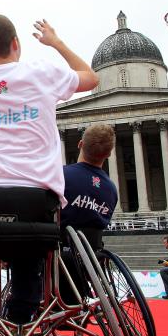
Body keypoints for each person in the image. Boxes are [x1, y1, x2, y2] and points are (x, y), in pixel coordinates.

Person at [0, 15, 99, 325]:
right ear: (16, 43)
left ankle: (13, 309)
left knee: (14, 246)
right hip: (40, 199)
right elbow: (91, 78)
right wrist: (55, 42)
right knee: (30, 254)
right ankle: (27, 311)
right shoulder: (43, 73)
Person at [59, 124, 117, 301]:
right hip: (91, 258)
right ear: (108, 154)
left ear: (80, 144)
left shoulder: (61, 175)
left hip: (58, 255)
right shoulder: (111, 189)